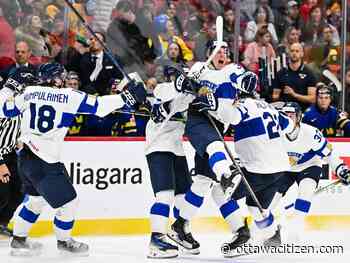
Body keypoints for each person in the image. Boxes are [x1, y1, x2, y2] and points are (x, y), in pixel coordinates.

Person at [0, 63, 147, 256]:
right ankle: (64, 242)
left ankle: (19, 240)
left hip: (26, 159)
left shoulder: (29, 92)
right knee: (69, 203)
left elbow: (4, 110)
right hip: (46, 161)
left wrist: (8, 87)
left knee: (35, 201)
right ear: (57, 79)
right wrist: (127, 97)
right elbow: (100, 106)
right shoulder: (69, 96)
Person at [269, 101, 350, 242]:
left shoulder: (311, 133)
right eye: (285, 115)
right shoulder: (275, 134)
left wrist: (341, 169)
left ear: (299, 117)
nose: (288, 118)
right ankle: (271, 232)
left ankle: (294, 231)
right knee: (269, 201)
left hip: (309, 165)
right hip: (285, 168)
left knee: (305, 193)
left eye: (291, 115)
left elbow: (329, 154)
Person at [145, 80, 193, 258]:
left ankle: (179, 231)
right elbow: (163, 105)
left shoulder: (190, 97)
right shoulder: (163, 88)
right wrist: (181, 88)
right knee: (164, 196)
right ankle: (156, 239)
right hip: (158, 147)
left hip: (177, 148)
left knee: (184, 198)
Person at [272, 42, 317, 111]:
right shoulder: (281, 73)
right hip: (285, 111)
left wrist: (294, 95)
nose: (294, 53)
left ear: (302, 54)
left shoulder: (309, 73)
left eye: (297, 51)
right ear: (288, 53)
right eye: (292, 51)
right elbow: (275, 96)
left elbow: (312, 99)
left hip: (303, 111)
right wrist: (277, 99)